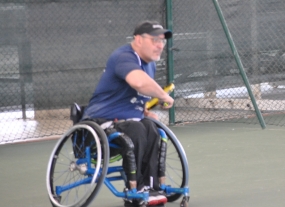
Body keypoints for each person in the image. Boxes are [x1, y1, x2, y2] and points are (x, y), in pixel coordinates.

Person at [82, 20, 174, 207]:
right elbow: (138, 83)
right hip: (100, 125)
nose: (160, 45)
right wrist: (163, 95)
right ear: (138, 40)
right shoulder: (124, 56)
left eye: (162, 41)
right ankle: (136, 191)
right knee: (137, 129)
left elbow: (135, 97)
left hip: (129, 123)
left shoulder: (150, 64)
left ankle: (151, 187)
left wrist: (145, 111)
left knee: (150, 128)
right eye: (155, 40)